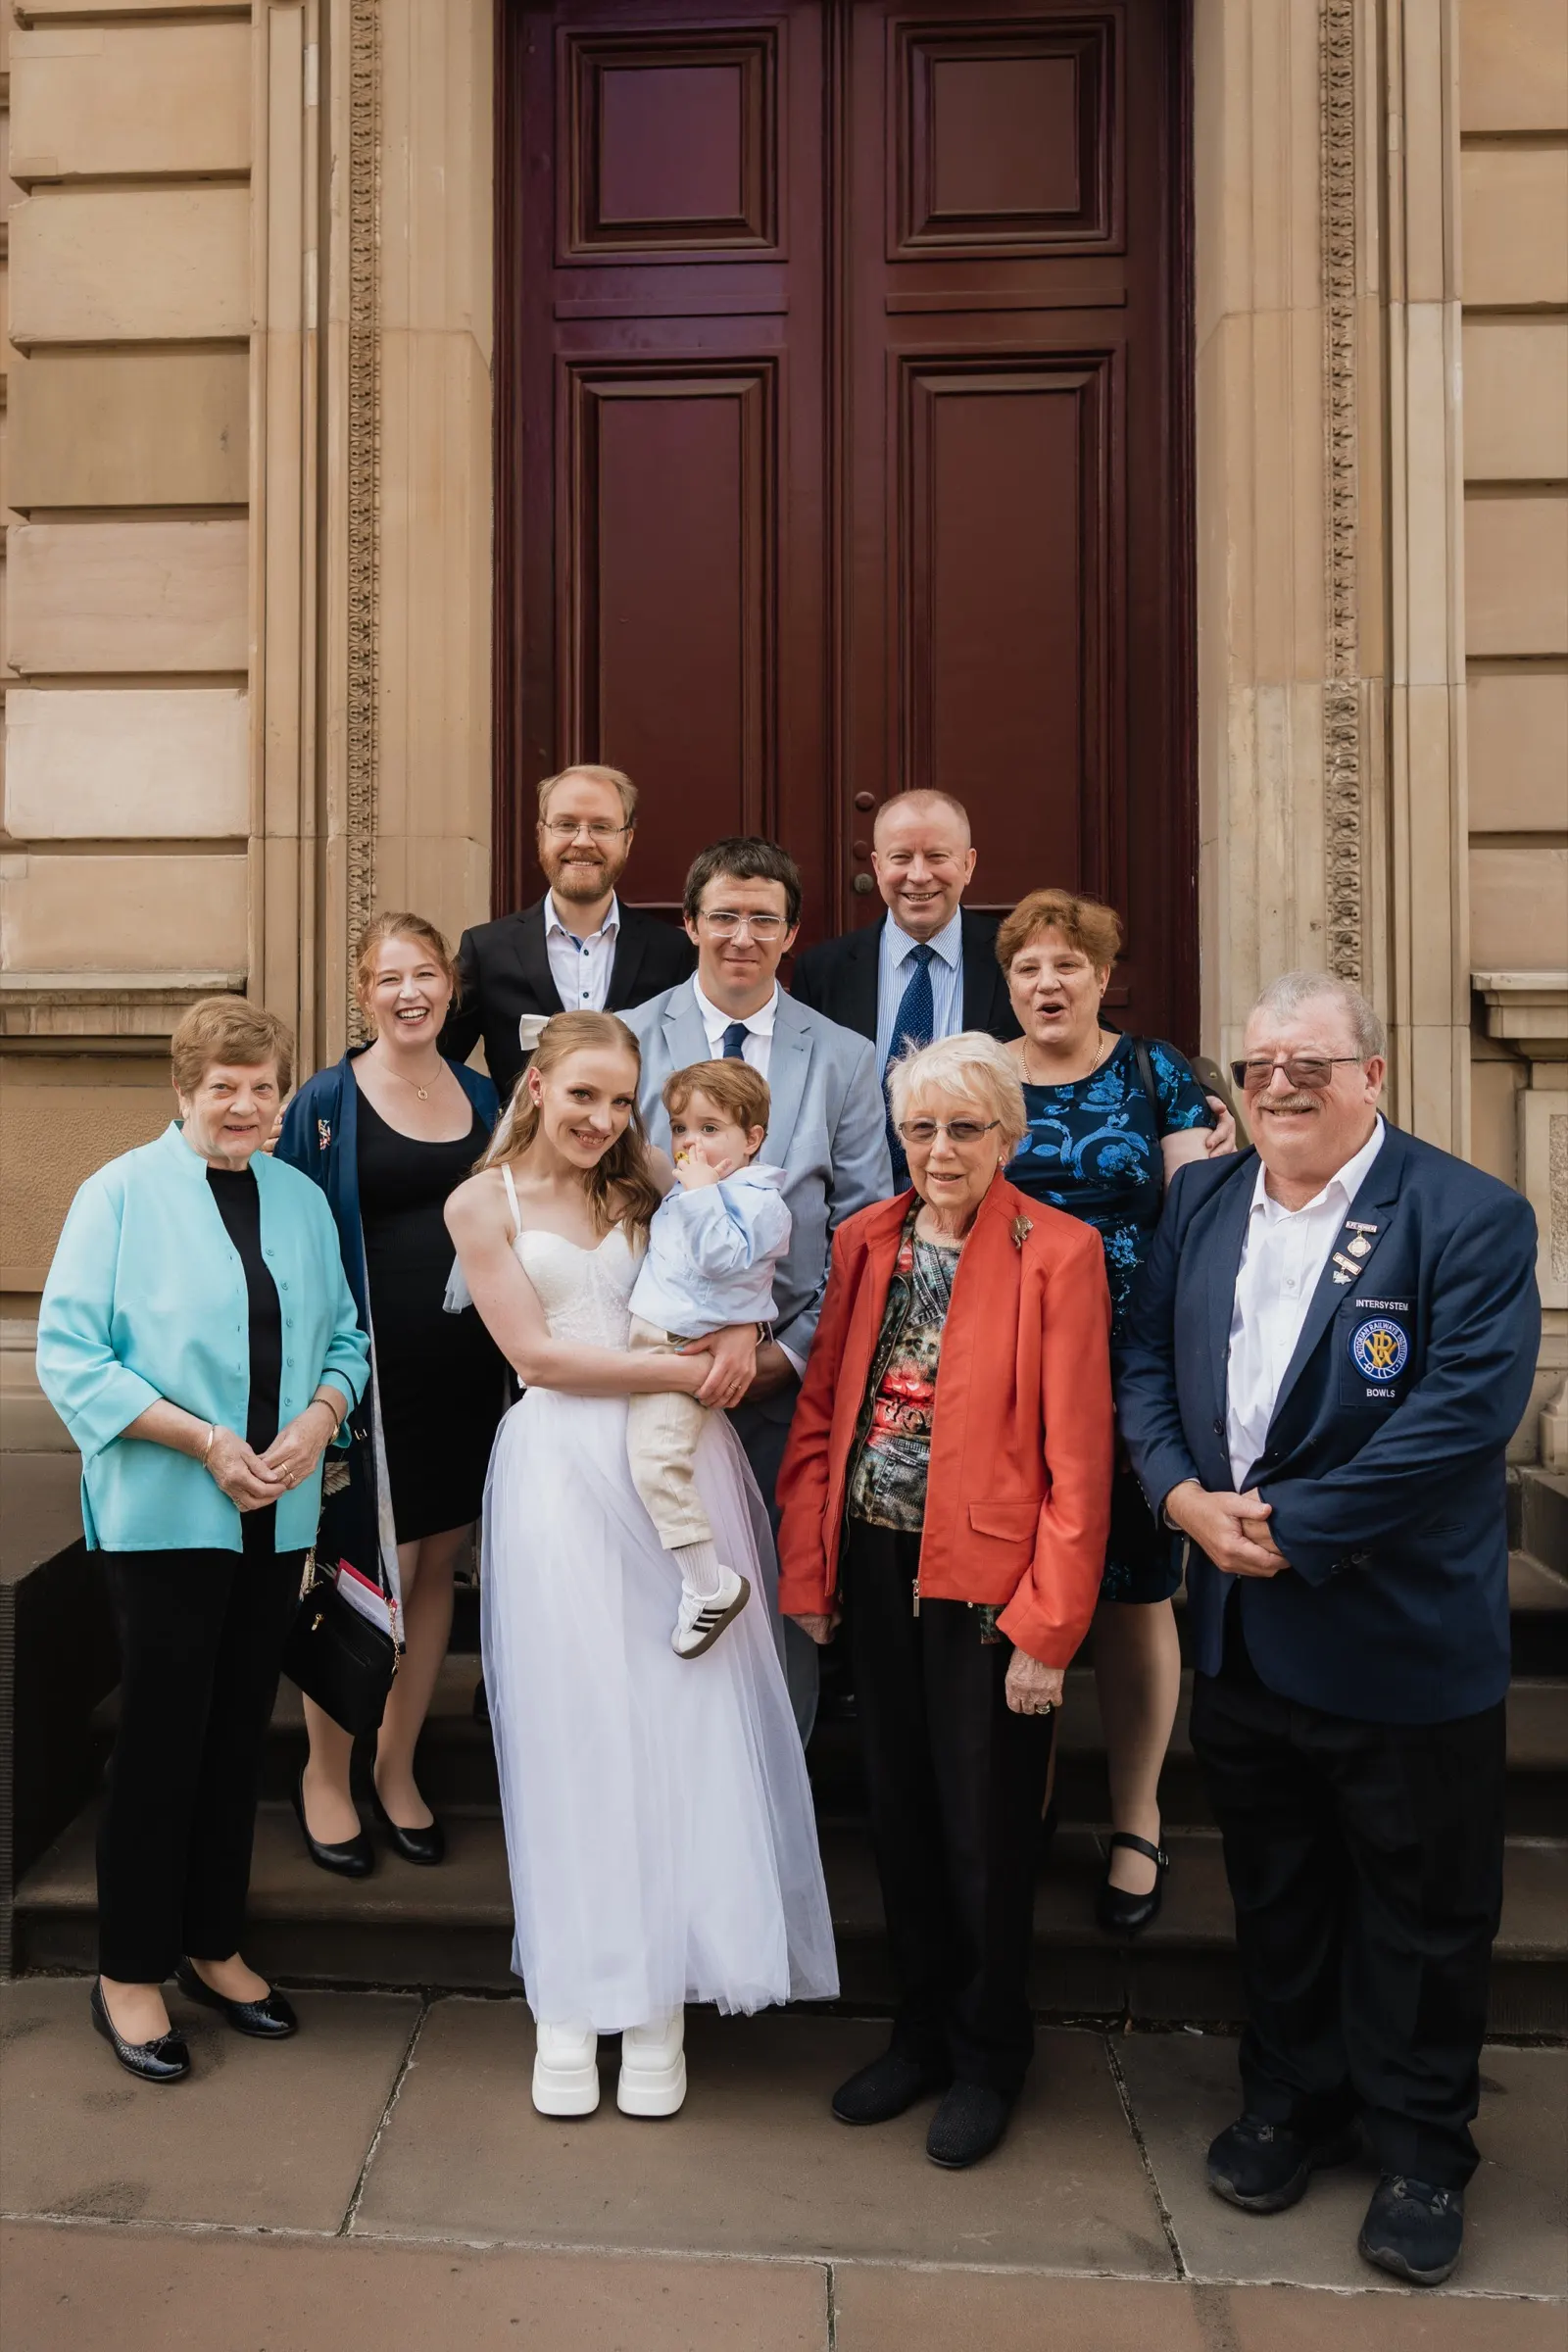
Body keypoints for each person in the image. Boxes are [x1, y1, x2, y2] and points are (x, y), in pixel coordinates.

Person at [1117, 972, 1540, 2288]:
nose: (1280, 1085)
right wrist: (1180, 1495)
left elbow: (1464, 1416)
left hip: (1394, 1635)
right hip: (1240, 1629)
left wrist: (1295, 1522)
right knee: (1278, 1888)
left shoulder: (1467, 1216)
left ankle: (1421, 2149)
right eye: (1257, 1068)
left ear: (1373, 1073)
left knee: (1421, 1909)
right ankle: (1292, 2099)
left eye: (1311, 1062)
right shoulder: (1200, 1200)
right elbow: (1141, 1363)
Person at [444, 1012, 838, 2121]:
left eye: (620, 1101)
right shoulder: (485, 1204)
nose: (602, 1121)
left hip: (673, 1468)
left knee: (679, 1716)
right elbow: (535, 1354)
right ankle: (576, 1995)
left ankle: (664, 1994)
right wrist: (671, 1370)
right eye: (582, 1096)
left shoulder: (656, 1180)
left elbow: (735, 1277)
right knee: (578, 1726)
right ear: (533, 1086)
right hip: (562, 1473)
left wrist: (734, 1348)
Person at [777, 1033, 1113, 2169]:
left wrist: (1049, 1629)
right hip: (874, 1566)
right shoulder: (865, 1239)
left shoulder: (1056, 1252)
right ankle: (917, 2033)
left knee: (984, 1835)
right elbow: (824, 1412)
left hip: (989, 1586)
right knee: (901, 1817)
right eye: (920, 1128)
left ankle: (987, 2055)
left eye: (964, 1127)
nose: (938, 1149)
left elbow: (1080, 1456)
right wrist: (809, 1569)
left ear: (1008, 1137)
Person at [35, 999, 368, 2082]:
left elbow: (348, 1338)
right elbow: (71, 1355)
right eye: (224, 1084)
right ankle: (128, 1971)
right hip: (165, 1515)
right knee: (163, 1742)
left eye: (263, 1086)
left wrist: (320, 1420)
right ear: (184, 1091)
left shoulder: (302, 1201)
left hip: (280, 1513)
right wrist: (206, 1443)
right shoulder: (118, 1194)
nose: (245, 1103)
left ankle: (212, 1944)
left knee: (235, 1742)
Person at [996, 888, 1234, 1936]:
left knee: (1134, 1593)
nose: (1047, 984)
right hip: (1001, 1365)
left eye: (1066, 966)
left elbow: (1198, 1220)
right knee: (1010, 1587)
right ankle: (1025, 1804)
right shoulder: (978, 1073)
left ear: (1102, 976)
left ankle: (1136, 1817)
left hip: (1129, 1362)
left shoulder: (1158, 1074)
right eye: (1027, 969)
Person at [622, 839, 892, 1740]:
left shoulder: (847, 1058)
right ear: (692, 924)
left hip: (788, 1384)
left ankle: (776, 1819)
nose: (743, 936)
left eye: (763, 920)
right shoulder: (629, 1038)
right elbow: (600, 1199)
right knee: (661, 1587)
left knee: (778, 1601)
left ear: (792, 934)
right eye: (725, 916)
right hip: (652, 1370)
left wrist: (782, 1350)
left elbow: (864, 1226)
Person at [275, 912, 505, 1875]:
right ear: (361, 992)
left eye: (424, 975)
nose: (408, 992)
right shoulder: (326, 1101)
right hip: (362, 1385)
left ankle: (395, 1767)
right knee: (366, 1574)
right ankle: (326, 1775)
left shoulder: (488, 1096)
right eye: (387, 977)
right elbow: (284, 1241)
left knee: (432, 1567)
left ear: (451, 986)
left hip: (465, 1382)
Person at [626, 1057, 792, 1659]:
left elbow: (723, 1261)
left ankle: (708, 1583)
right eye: (681, 1128)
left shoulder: (759, 1201)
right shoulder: (694, 1190)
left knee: (657, 1463)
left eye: (710, 1128)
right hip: (651, 1343)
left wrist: (698, 1197)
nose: (691, 1143)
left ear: (752, 1139)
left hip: (683, 1352)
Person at [790, 790, 1019, 1188]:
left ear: (968, 864)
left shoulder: (1015, 961)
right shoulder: (823, 970)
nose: (918, 875)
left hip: (981, 1199)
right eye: (901, 858)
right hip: (857, 1205)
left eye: (936, 857)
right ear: (877, 867)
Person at [441, 763, 695, 1102]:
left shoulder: (673, 952)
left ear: (628, 839)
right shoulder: (486, 949)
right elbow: (435, 1061)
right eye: (566, 824)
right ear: (541, 834)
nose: (583, 841)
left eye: (602, 827)